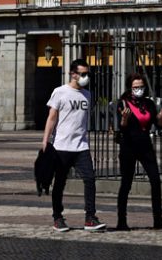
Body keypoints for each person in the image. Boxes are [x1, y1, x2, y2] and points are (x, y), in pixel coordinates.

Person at [41, 58, 106, 232]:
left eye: (87, 74)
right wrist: (45, 141)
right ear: (73, 74)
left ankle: (90, 218)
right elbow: (52, 117)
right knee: (60, 183)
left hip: (81, 146)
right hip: (61, 146)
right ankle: (57, 217)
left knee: (90, 179)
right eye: (83, 74)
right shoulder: (60, 92)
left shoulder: (87, 94)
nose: (86, 77)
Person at [115, 73, 162, 231]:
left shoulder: (148, 103)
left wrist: (160, 119)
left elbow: (158, 124)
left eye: (141, 87)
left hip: (145, 146)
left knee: (155, 180)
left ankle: (158, 219)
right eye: (135, 87)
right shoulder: (123, 103)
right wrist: (124, 119)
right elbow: (121, 127)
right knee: (126, 183)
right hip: (128, 146)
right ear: (130, 88)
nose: (139, 89)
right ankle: (121, 220)